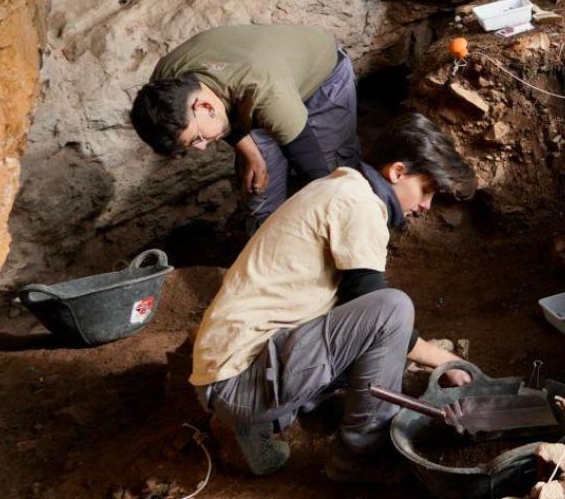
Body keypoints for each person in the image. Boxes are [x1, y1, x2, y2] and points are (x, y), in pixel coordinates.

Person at [190, 112, 478, 481]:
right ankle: (357, 456)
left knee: (364, 323)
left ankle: (260, 423)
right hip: (240, 383)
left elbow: (352, 308)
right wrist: (444, 360)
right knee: (393, 309)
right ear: (398, 172)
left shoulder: (340, 187)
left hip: (223, 374)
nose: (425, 207)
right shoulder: (358, 204)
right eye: (427, 190)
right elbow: (381, 313)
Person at [132, 24, 359, 224]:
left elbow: (316, 174)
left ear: (204, 107)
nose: (201, 148)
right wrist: (252, 155)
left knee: (333, 173)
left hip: (323, 75)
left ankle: (362, 220)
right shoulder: (165, 89)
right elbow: (224, 120)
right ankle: (269, 253)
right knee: (260, 191)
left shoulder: (265, 91)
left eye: (197, 139)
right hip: (260, 83)